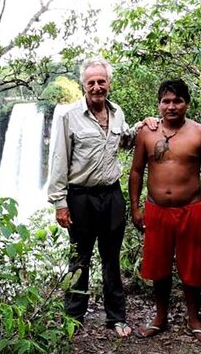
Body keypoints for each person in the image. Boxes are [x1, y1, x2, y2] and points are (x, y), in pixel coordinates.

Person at [47, 58, 156, 337]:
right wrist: (60, 203)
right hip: (80, 197)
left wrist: (144, 125)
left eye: (101, 81)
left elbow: (125, 141)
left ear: (109, 83)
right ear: (84, 85)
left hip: (111, 195)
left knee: (111, 257)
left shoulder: (117, 113)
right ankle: (73, 318)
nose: (97, 87)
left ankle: (116, 318)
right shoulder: (69, 116)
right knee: (80, 259)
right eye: (91, 82)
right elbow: (59, 160)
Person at [129, 79, 201, 343]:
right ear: (159, 104)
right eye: (166, 101)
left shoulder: (200, 133)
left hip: (190, 209)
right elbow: (136, 171)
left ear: (187, 104)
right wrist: (136, 208)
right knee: (158, 268)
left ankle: (194, 319)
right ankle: (160, 317)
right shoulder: (147, 133)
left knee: (192, 266)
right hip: (156, 210)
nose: (171, 106)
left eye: (177, 101)